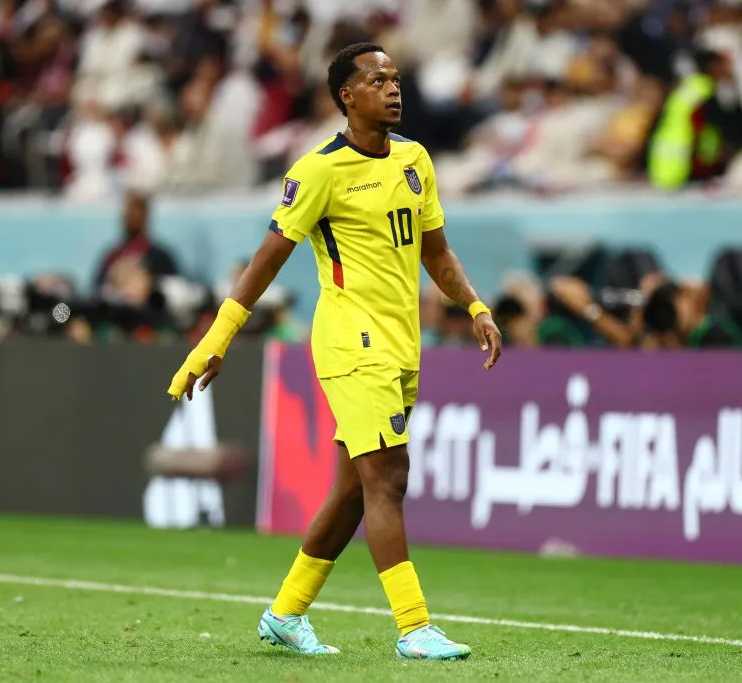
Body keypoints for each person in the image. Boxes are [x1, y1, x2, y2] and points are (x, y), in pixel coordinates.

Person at [166, 43, 502, 660]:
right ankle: (413, 627)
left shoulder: (414, 160)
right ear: (347, 96)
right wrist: (217, 341)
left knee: (353, 489)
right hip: (351, 341)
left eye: (397, 78)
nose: (394, 89)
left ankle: (285, 613)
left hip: (402, 343)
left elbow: (437, 253)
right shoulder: (318, 171)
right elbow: (266, 262)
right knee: (389, 477)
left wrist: (475, 307)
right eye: (378, 80)